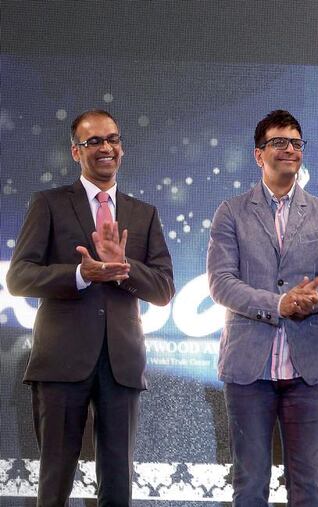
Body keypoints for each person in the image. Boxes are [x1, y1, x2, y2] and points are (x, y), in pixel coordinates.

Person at [6, 109, 175, 505]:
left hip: (122, 363)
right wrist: (81, 275)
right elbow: (19, 277)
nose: (105, 148)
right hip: (61, 361)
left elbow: (164, 289)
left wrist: (122, 268)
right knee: (55, 480)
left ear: (122, 148)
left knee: (117, 482)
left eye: (112, 139)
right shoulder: (49, 203)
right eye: (93, 141)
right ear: (75, 151)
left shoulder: (142, 214)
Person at [207, 109, 318, 506]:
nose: (289, 149)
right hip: (249, 369)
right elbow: (221, 284)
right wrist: (280, 304)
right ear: (258, 154)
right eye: (279, 142)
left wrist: (313, 299)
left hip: (307, 368)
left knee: (307, 486)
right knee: (250, 484)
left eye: (296, 143)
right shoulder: (231, 211)